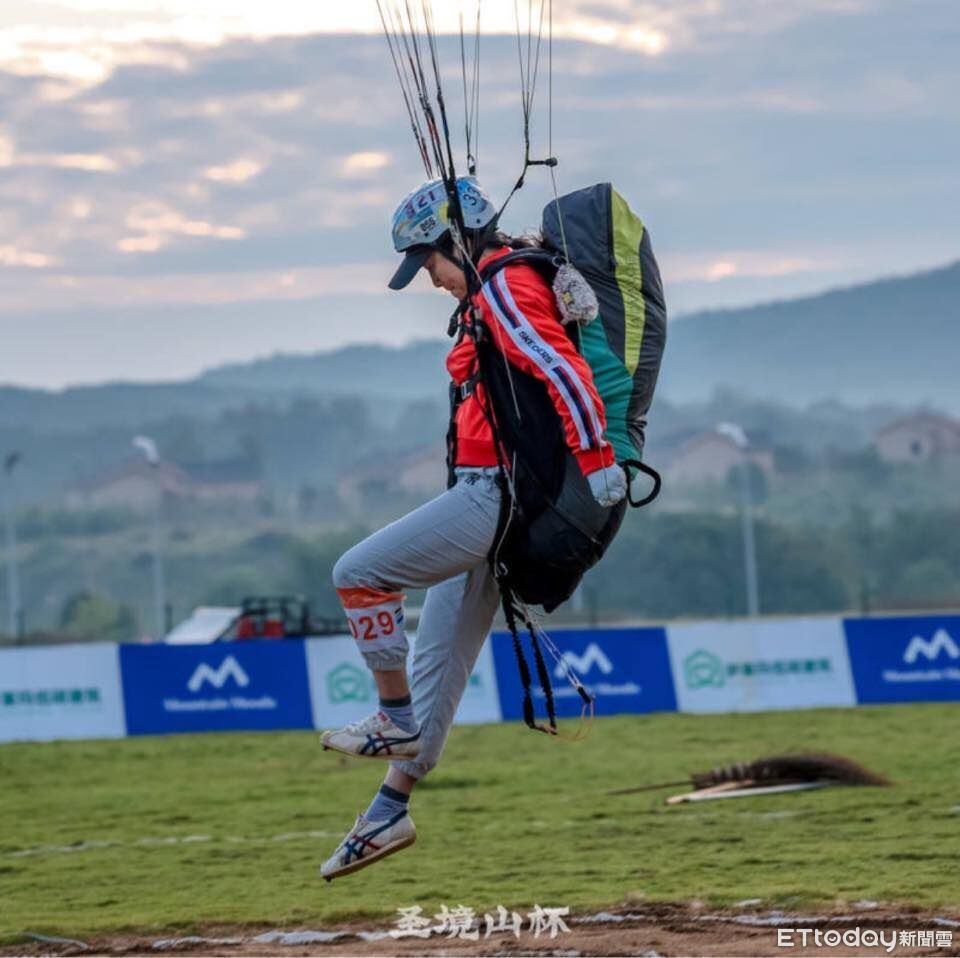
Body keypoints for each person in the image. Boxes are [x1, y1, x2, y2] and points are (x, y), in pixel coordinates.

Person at [318, 176, 627, 881]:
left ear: (457, 239)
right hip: (493, 501)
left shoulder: (504, 288)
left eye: (429, 262)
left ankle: (390, 719)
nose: (430, 279)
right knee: (437, 668)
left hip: (494, 497)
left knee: (358, 575)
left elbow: (562, 368)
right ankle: (390, 811)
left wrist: (597, 455)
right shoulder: (494, 288)